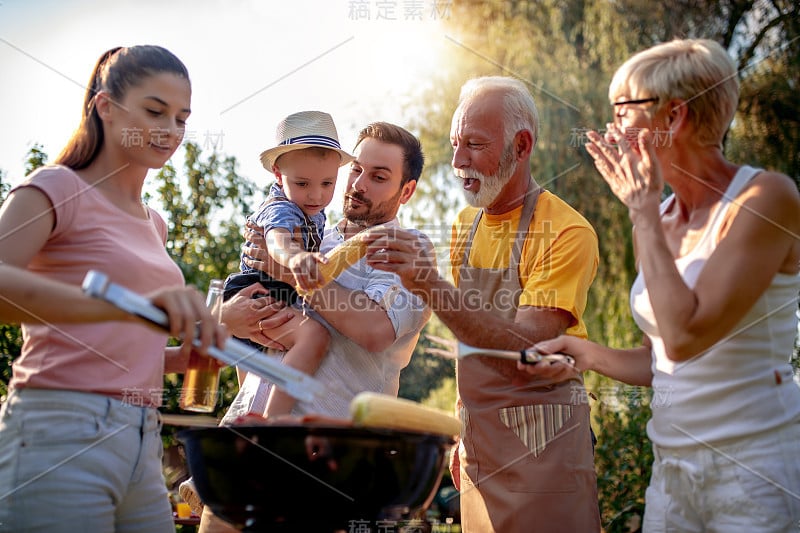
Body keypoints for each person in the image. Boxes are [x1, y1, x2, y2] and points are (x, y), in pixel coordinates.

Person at [527, 39, 800, 532]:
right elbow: (665, 360)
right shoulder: (659, 214)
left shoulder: (766, 198)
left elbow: (684, 335)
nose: (613, 130)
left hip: (756, 473)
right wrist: (585, 354)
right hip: (672, 473)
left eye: (623, 112)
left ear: (673, 118)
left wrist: (642, 211)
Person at [0, 45, 226, 533]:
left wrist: (175, 359)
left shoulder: (155, 225)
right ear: (105, 107)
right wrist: (133, 307)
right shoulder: (56, 188)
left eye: (182, 118)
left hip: (142, 434)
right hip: (58, 426)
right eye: (154, 111)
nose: (171, 130)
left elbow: (113, 338)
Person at [363, 76, 602, 532]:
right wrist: (462, 431)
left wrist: (430, 284)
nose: (457, 162)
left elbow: (528, 344)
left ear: (522, 144)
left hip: (545, 447)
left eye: (474, 144)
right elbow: (469, 337)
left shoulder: (568, 232)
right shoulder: (464, 227)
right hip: (479, 446)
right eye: (455, 144)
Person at [196, 121, 432, 533]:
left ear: (406, 191)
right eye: (356, 169)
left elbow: (375, 328)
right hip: (243, 451)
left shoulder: (407, 249)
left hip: (328, 469)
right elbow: (226, 312)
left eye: (379, 177)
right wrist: (227, 312)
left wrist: (293, 277)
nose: (358, 184)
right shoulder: (308, 231)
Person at [224, 110, 353, 418]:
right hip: (258, 292)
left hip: (272, 293)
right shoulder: (282, 208)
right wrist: (296, 258)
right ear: (279, 176)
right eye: (303, 183)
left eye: (327, 183)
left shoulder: (315, 212)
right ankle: (274, 421)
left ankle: (253, 420)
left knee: (250, 392)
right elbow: (276, 241)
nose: (316, 194)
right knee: (313, 337)